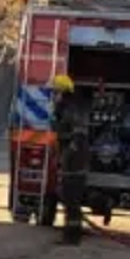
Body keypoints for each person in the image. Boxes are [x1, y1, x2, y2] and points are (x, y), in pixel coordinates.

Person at [51, 73, 91, 245]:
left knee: (71, 199)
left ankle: (72, 237)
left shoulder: (69, 108)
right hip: (72, 158)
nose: (55, 94)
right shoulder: (69, 107)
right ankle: (71, 235)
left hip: (74, 160)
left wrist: (69, 156)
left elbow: (78, 135)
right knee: (69, 199)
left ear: (62, 91)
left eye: (56, 91)